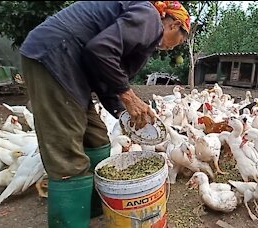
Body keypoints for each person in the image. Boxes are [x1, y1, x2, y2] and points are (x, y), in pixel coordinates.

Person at [19, 1, 190, 227]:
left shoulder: (143, 31)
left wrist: (122, 112)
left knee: (97, 138)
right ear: (174, 25)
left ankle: (94, 209)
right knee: (67, 155)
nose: (174, 47)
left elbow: (104, 72)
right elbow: (99, 51)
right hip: (54, 58)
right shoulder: (149, 18)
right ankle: (71, 221)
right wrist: (128, 96)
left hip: (74, 70)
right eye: (180, 40)